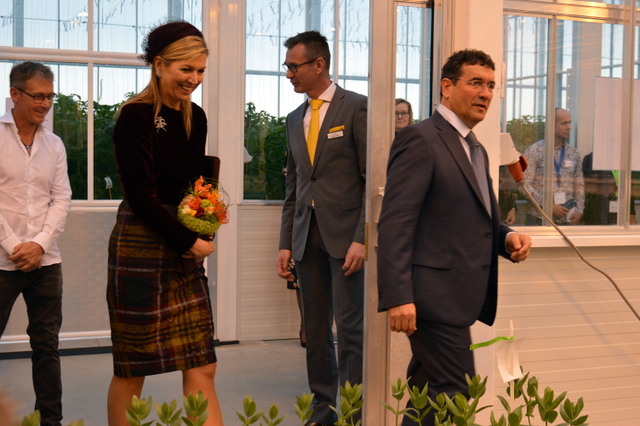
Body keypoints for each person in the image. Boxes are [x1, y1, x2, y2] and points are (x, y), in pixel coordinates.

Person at [376, 49, 532, 426]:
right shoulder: (420, 139)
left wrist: (506, 238)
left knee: (429, 391)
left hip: (457, 295)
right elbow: (396, 223)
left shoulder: (475, 148)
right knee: (456, 390)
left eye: (491, 85)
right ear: (447, 87)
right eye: (475, 83)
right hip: (431, 297)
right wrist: (398, 296)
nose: (485, 93)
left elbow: (472, 218)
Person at [106, 21, 223, 426]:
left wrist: (205, 227)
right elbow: (141, 197)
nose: (194, 79)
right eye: (185, 69)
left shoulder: (196, 117)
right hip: (141, 244)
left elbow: (197, 188)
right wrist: (189, 241)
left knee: (202, 362)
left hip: (182, 245)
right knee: (132, 366)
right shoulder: (135, 116)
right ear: (159, 65)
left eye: (200, 70)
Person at [275, 30, 367, 426]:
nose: (289, 74)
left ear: (319, 64)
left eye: (294, 67)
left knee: (350, 331)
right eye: (286, 67)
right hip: (305, 239)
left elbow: (371, 181)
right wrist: (285, 244)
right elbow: (294, 187)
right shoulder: (294, 119)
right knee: (314, 331)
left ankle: (353, 412)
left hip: (346, 240)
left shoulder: (357, 108)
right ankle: (323, 409)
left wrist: (363, 238)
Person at [0, 61, 72, 426]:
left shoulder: (53, 144)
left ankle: (51, 421)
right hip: (2, 262)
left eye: (50, 96)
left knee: (47, 347)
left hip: (46, 263)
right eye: (38, 96)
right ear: (15, 94)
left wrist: (40, 244)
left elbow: (61, 199)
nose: (45, 104)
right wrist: (14, 245)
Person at [522, 108, 584, 225]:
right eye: (564, 123)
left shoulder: (573, 153)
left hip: (567, 218)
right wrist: (547, 205)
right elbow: (524, 184)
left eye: (569, 122)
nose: (569, 127)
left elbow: (579, 184)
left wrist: (579, 209)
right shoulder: (534, 151)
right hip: (539, 218)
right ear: (552, 125)